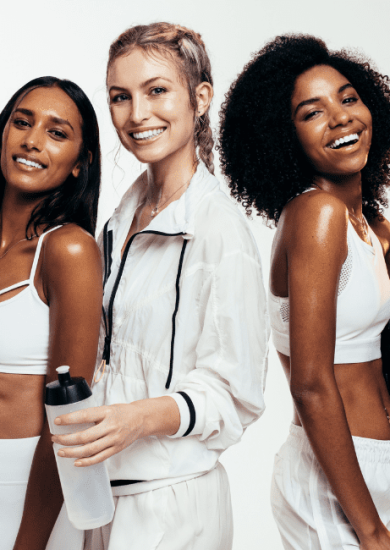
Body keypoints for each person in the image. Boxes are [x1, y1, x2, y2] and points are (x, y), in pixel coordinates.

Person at [52, 22, 269, 550]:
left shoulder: (219, 229)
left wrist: (139, 418)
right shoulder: (118, 218)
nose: (137, 114)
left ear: (200, 98)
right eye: (120, 97)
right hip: (99, 496)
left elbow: (237, 392)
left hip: (173, 506)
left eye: (156, 91)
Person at [219, 35, 390, 549]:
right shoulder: (316, 216)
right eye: (311, 112)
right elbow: (310, 385)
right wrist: (372, 531)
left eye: (348, 98)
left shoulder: (369, 225)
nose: (341, 118)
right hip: (339, 478)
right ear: (282, 138)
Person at [0, 76, 103, 550]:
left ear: (80, 165)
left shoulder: (68, 251)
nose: (32, 140)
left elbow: (69, 418)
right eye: (22, 122)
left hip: (21, 488)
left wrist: (29, 543)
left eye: (57, 132)